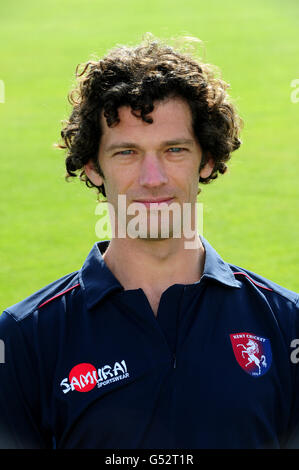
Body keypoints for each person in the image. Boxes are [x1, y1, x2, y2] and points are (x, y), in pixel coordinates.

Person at [0, 35, 298, 450]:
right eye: (127, 153)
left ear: (207, 158)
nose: (153, 178)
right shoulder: (24, 338)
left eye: (174, 149)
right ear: (93, 166)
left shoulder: (286, 325)